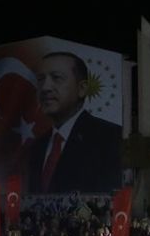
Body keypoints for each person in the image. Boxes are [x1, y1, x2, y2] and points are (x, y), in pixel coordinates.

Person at [25, 50, 122, 193]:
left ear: (82, 88)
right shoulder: (37, 147)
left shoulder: (110, 137)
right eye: (41, 79)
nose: (45, 88)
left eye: (56, 78)